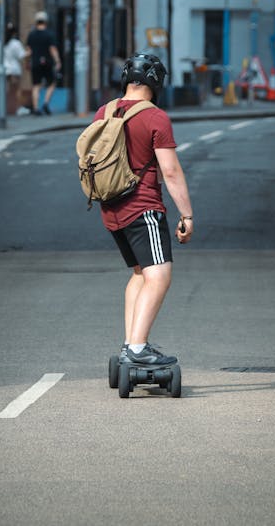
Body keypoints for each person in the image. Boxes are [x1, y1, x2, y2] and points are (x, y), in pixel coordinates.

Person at [92, 53, 194, 366]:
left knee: (140, 273)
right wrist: (187, 215)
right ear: (156, 82)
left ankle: (130, 344)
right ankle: (137, 349)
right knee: (160, 275)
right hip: (143, 207)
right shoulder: (155, 117)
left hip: (112, 208)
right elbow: (171, 171)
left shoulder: (104, 111)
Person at [25, 11, 62, 116]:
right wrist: (58, 61)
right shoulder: (49, 34)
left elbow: (28, 51)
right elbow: (52, 49)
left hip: (35, 63)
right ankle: (45, 103)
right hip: (47, 63)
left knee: (36, 86)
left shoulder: (31, 35)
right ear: (46, 22)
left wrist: (27, 63)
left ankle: (36, 108)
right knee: (52, 83)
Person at [3, 24, 27, 115]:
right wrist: (29, 53)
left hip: (5, 69)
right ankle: (18, 108)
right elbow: (22, 55)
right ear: (14, 33)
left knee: (7, 89)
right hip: (14, 69)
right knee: (17, 89)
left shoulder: (1, 42)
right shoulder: (15, 43)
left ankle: (6, 107)